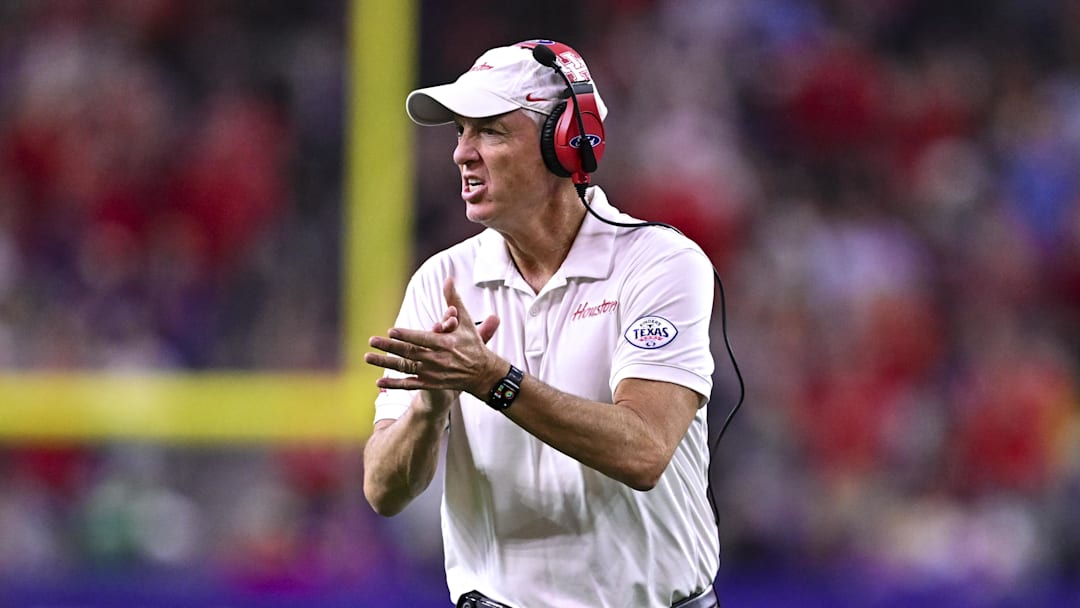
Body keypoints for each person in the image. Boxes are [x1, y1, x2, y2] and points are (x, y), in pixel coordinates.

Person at [363, 39, 721, 608]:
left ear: (566, 143)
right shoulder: (442, 279)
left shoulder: (658, 262)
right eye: (459, 132)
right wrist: (428, 412)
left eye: (490, 131)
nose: (462, 153)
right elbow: (383, 491)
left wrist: (490, 379)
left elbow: (644, 451)